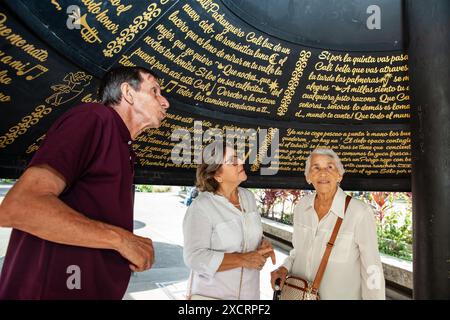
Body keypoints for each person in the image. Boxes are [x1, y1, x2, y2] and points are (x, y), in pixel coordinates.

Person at [0, 66, 170, 299]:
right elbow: (19, 207)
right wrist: (121, 240)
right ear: (128, 93)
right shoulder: (94, 118)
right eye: (155, 91)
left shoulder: (124, 149)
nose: (165, 102)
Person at [270, 148, 385, 299]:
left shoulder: (359, 212)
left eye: (330, 167)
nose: (323, 173)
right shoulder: (302, 206)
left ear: (339, 175)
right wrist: (284, 267)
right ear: (308, 177)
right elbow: (298, 251)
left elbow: (372, 268)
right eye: (315, 167)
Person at [183, 141, 276, 300]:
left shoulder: (248, 197)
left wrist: (263, 242)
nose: (241, 162)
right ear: (217, 175)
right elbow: (194, 257)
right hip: (212, 296)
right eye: (232, 161)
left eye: (238, 157)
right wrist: (243, 260)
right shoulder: (201, 206)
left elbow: (246, 233)